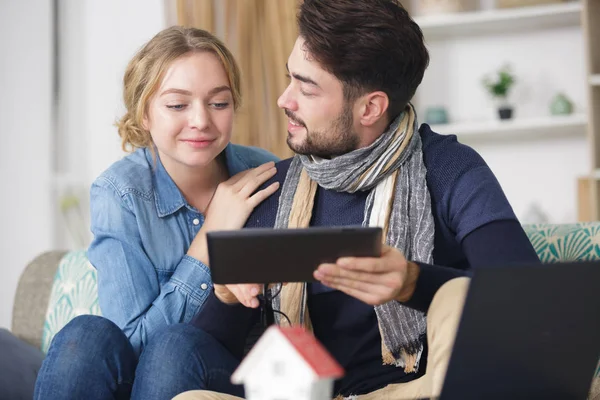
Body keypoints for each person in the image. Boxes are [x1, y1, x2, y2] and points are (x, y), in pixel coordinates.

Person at [137, 1, 542, 399]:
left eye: (306, 88)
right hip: (303, 394)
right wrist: (229, 295)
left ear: (370, 107)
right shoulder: (272, 189)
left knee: (461, 300)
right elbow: (210, 354)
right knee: (179, 362)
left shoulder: (449, 170)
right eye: (289, 78)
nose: (284, 100)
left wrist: (413, 282)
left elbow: (527, 304)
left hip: (415, 390)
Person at [33, 26, 280, 400]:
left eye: (218, 103)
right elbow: (131, 344)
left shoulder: (265, 175)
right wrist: (210, 237)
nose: (200, 120)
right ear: (144, 114)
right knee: (84, 335)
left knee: (174, 348)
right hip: (143, 375)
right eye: (178, 105)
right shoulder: (120, 193)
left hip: (230, 372)